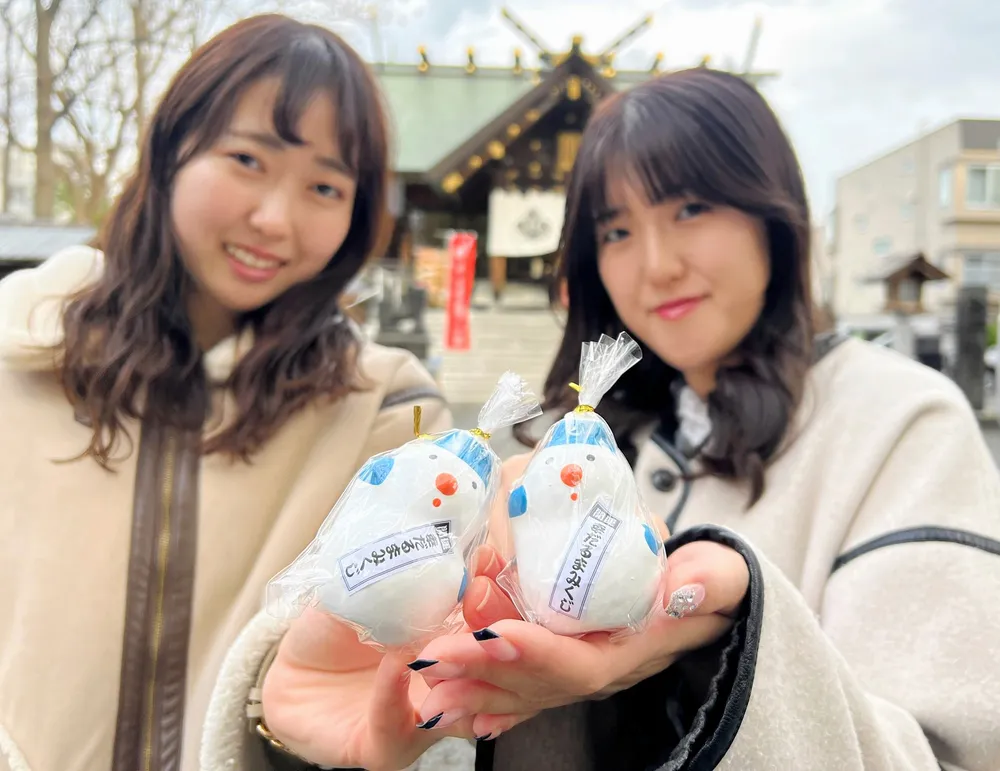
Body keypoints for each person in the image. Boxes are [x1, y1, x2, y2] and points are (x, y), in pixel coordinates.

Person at [260, 68, 1000, 771]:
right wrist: (296, 704)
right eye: (615, 231)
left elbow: (955, 753)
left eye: (690, 209)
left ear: (774, 218)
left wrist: (732, 636)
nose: (656, 265)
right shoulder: (567, 447)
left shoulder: (899, 421)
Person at [0, 15, 453, 771]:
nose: (274, 218)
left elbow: (404, 663)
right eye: (246, 159)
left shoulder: (382, 412)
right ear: (170, 147)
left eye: (324, 186)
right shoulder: (17, 355)